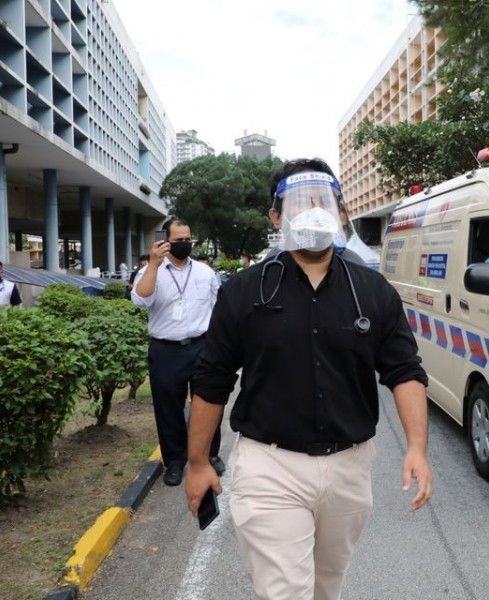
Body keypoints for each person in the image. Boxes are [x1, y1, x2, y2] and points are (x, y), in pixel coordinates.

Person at [186, 158, 433, 600]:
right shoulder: (243, 292)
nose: (312, 210)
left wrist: (417, 447)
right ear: (276, 218)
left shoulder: (373, 291)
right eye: (299, 202)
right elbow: (212, 379)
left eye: (323, 200)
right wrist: (199, 462)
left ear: (341, 211)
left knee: (327, 585)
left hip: (349, 467)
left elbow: (405, 370)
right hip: (270, 467)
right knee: (285, 592)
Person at [131, 219, 224, 486]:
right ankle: (174, 461)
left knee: (207, 402)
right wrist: (153, 264)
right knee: (168, 407)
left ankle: (210, 454)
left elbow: (219, 309)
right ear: (165, 240)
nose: (184, 244)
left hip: (202, 346)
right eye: (178, 239)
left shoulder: (205, 273)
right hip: (166, 350)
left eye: (187, 239)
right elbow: (140, 299)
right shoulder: (152, 270)